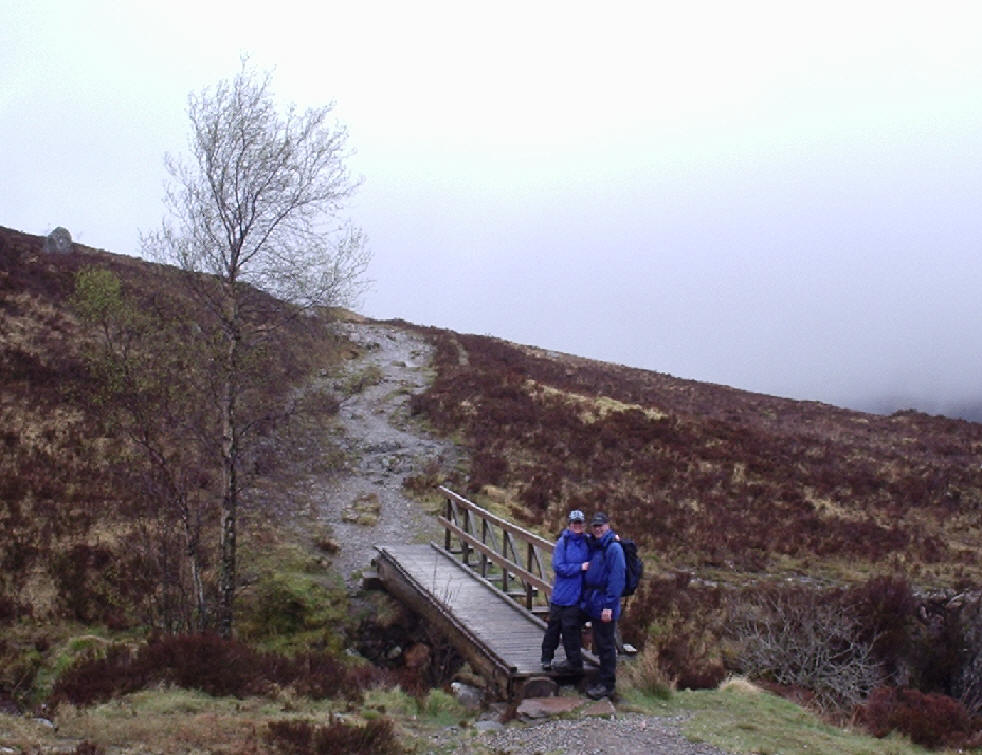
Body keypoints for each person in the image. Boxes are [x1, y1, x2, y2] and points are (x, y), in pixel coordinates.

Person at [581, 511, 625, 699]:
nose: (598, 529)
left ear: (608, 526)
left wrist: (609, 606)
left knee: (606, 645)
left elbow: (617, 578)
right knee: (599, 640)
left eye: (601, 526)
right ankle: (598, 678)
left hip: (605, 602)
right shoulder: (597, 544)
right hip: (593, 600)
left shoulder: (613, 548)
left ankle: (607, 685)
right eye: (595, 526)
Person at [541, 509, 590, 673]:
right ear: (569, 525)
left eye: (580, 523)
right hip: (560, 595)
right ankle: (546, 658)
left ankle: (574, 662)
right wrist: (579, 567)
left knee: (571, 630)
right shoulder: (563, 543)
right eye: (575, 523)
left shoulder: (587, 542)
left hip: (575, 597)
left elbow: (602, 543)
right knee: (553, 628)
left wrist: (614, 539)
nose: (577, 526)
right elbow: (558, 567)